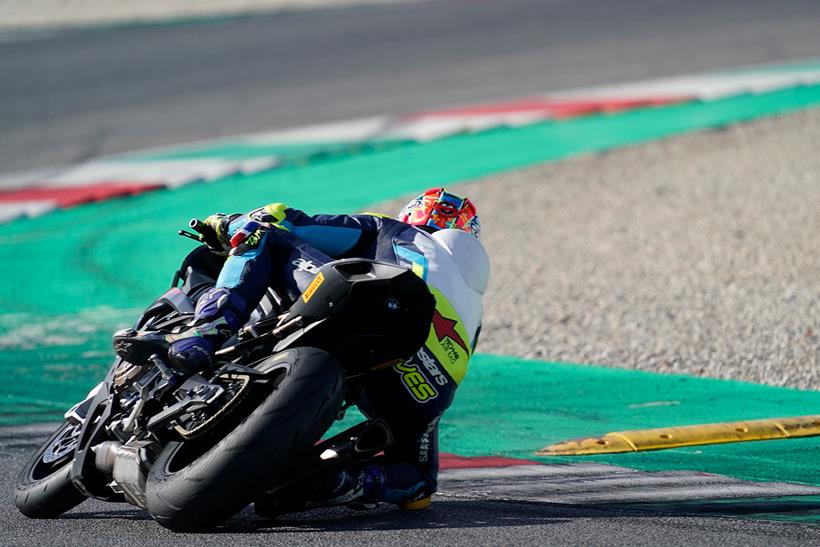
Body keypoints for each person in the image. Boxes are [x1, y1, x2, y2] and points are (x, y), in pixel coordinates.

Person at [114, 187, 490, 513]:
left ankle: (208, 330)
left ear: (415, 216)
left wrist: (226, 223)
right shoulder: (474, 305)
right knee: (417, 482)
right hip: (428, 383)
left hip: (365, 305)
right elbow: (418, 501)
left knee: (264, 234)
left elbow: (285, 218)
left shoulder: (396, 231)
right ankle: (340, 481)